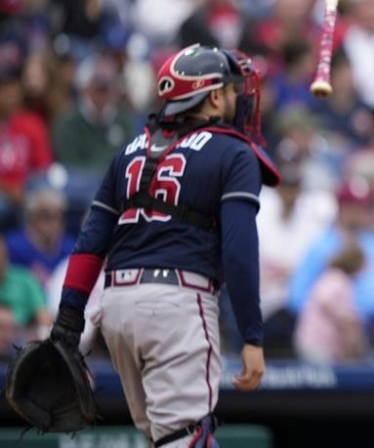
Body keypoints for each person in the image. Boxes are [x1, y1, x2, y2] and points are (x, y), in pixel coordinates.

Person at [49, 44, 280, 447]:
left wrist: (67, 324)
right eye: (230, 88)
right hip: (177, 305)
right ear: (212, 96)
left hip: (117, 307)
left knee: (167, 437)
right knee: (186, 438)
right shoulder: (233, 152)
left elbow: (90, 243)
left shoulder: (129, 151)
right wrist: (252, 336)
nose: (238, 96)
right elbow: (240, 252)